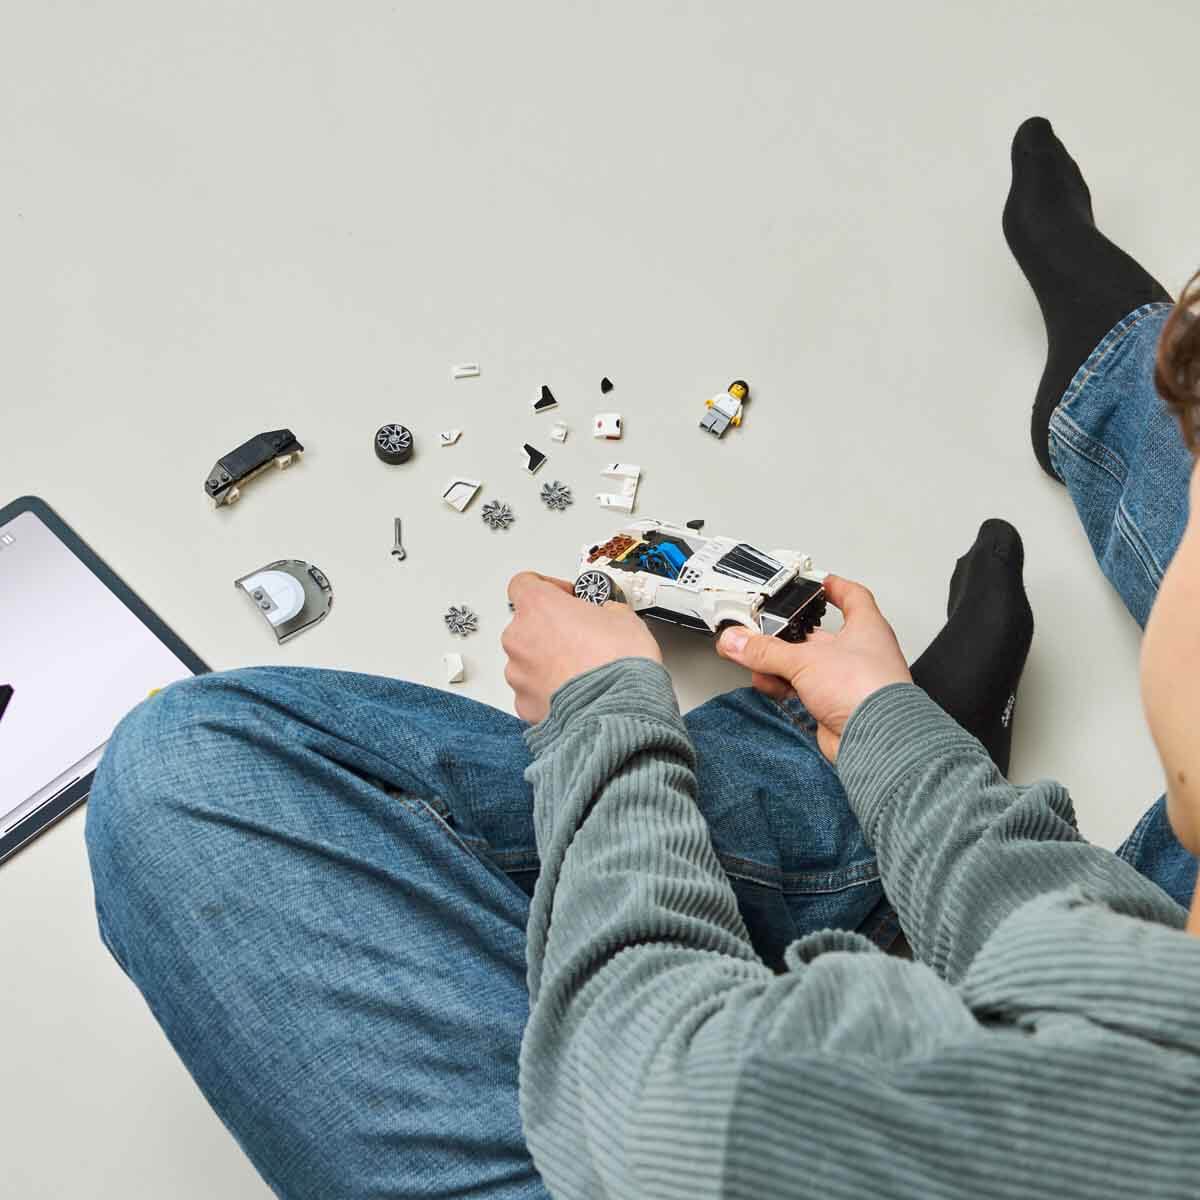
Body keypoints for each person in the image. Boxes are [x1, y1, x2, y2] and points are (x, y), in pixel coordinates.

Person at [84, 117, 1199, 1198]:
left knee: (179, 771)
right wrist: (891, 730)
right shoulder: (1154, 1022)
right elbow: (1108, 986)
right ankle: (1100, 393)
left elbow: (660, 1100)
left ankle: (836, 837)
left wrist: (601, 710)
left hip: (660, 1120)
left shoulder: (1096, 1128)